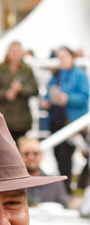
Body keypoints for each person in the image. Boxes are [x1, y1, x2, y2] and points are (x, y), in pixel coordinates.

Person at [41, 45, 90, 191]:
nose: (60, 60)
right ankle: (66, 190)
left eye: (63, 56)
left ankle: (80, 185)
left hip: (74, 123)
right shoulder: (55, 76)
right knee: (61, 157)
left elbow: (84, 96)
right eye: (58, 57)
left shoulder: (80, 74)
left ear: (71, 57)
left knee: (83, 153)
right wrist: (47, 100)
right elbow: (49, 92)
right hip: (57, 121)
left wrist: (68, 98)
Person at [0, 41, 39, 142]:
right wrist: (6, 94)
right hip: (4, 118)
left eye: (17, 51)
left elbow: (35, 90)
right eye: (12, 51)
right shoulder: (0, 70)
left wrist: (20, 89)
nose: (15, 54)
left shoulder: (27, 70)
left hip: (22, 119)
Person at [17, 136, 69, 206]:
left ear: (41, 155)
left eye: (35, 153)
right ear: (19, 156)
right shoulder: (13, 185)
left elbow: (64, 210)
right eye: (26, 154)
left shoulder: (56, 184)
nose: (31, 157)